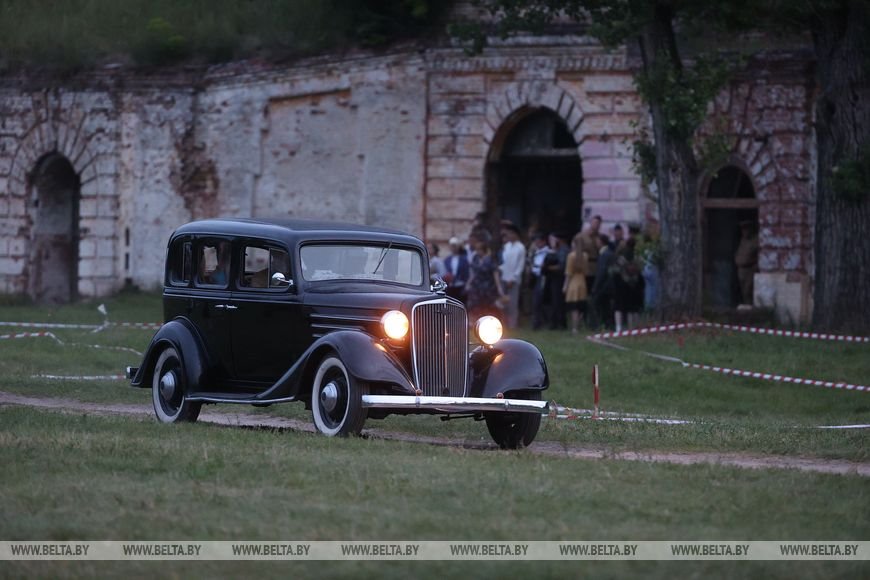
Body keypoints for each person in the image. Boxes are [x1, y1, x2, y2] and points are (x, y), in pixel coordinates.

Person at [465, 239, 504, 323]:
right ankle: (477, 321)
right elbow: (473, 273)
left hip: (488, 287)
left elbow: (495, 274)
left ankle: (489, 321)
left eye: (479, 249)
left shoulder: (490, 259)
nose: (477, 251)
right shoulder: (476, 258)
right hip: (477, 286)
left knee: (488, 306)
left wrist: (499, 288)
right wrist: (468, 283)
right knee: (476, 305)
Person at [612, 239, 645, 332]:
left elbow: (615, 270)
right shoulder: (638, 257)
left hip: (621, 285)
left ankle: (618, 327)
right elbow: (641, 269)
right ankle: (633, 328)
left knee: (619, 307)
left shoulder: (621, 257)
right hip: (634, 285)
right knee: (633, 308)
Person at [499, 223, 526, 329]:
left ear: (515, 234)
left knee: (513, 303)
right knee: (503, 303)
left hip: (514, 279)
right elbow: (504, 262)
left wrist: (513, 278)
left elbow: (520, 265)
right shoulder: (506, 246)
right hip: (504, 277)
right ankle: (503, 324)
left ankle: (512, 324)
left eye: (511, 234)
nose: (509, 236)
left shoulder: (521, 247)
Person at [563, 236, 589, 334]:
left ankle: (574, 327)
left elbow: (568, 273)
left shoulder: (571, 256)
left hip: (573, 282)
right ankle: (579, 325)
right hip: (582, 282)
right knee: (580, 306)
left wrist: (565, 285)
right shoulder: (585, 256)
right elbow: (586, 271)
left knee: (573, 307)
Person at [528, 233, 552, 330]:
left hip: (543, 278)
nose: (536, 244)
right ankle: (537, 321)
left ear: (543, 241)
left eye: (538, 242)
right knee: (535, 301)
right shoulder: (536, 252)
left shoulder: (548, 252)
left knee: (540, 300)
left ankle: (543, 321)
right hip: (535, 277)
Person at [545, 232, 569, 329]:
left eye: (552, 239)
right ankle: (554, 322)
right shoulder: (554, 250)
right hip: (553, 278)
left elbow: (561, 265)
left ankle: (560, 323)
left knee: (558, 301)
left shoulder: (563, 250)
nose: (550, 242)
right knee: (554, 301)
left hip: (560, 279)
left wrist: (549, 268)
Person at [574, 215, 601, 297]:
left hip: (596, 267)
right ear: (591, 223)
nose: (596, 225)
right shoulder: (581, 236)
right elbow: (577, 251)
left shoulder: (599, 237)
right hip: (585, 266)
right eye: (595, 222)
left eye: (598, 223)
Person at [592, 234, 615, 329]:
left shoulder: (604, 254)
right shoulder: (609, 253)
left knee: (599, 304)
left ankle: (602, 324)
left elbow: (602, 271)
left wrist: (596, 286)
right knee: (606, 306)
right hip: (609, 284)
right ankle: (607, 324)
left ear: (601, 242)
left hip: (604, 285)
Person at [734, 220, 759, 306]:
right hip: (741, 269)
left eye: (746, 229)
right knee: (742, 289)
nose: (744, 231)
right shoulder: (743, 240)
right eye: (743, 229)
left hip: (750, 269)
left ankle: (750, 306)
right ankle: (746, 305)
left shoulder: (755, 240)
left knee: (748, 289)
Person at [443, 237, 470, 302]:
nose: (453, 248)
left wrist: (466, 285)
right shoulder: (447, 260)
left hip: (460, 286)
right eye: (452, 246)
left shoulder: (464, 260)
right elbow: (444, 272)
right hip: (450, 286)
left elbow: (467, 273)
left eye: (455, 246)